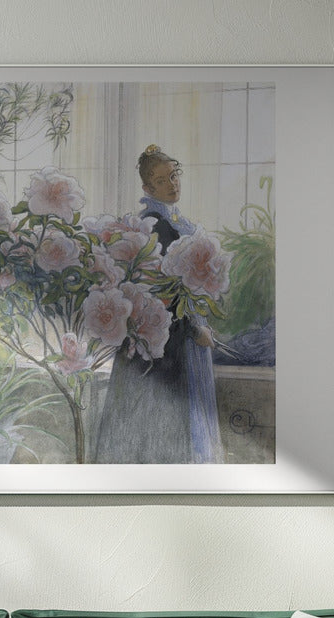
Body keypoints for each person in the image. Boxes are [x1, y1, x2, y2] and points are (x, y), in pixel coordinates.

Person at [93, 145, 224, 464]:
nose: (172, 184)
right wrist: (195, 329)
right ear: (147, 189)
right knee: (158, 417)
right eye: (162, 180)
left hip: (171, 333)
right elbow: (159, 290)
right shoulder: (154, 225)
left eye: (174, 176)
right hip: (163, 338)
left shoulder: (175, 221)